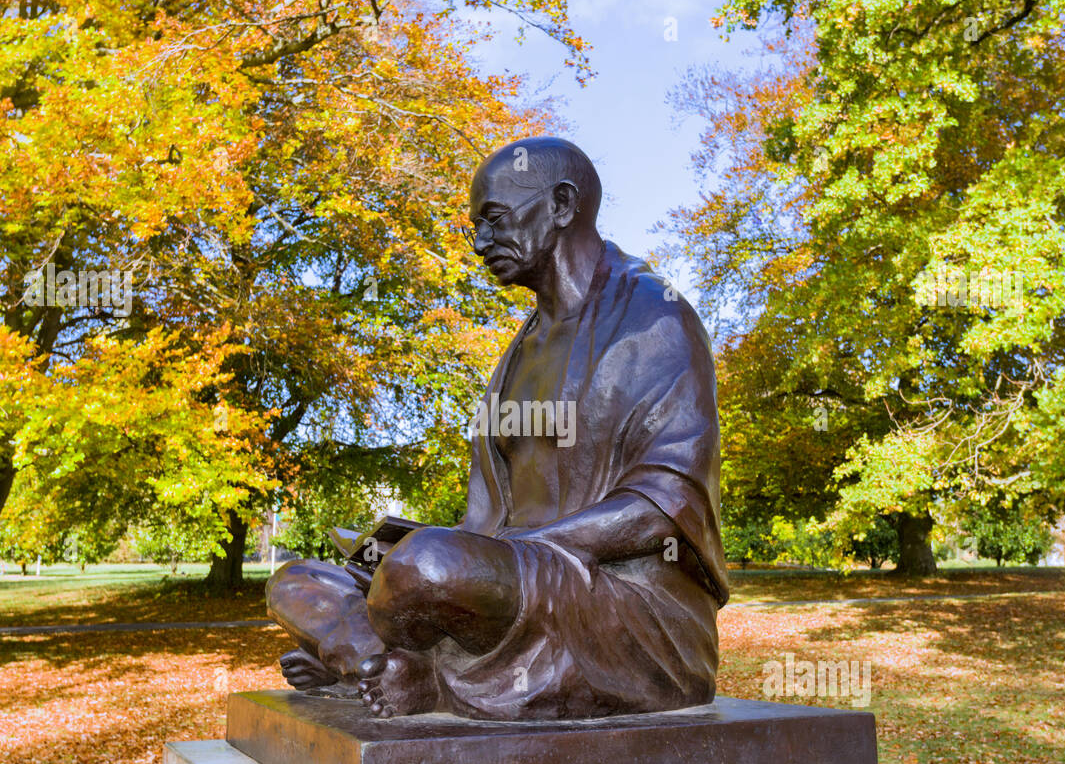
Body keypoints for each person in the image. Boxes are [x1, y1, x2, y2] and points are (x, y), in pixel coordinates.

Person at [269, 136, 728, 720]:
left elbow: (661, 511)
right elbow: (482, 521)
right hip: (509, 582)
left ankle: (379, 659)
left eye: (493, 219)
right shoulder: (518, 352)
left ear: (562, 205)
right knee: (297, 581)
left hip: (620, 602)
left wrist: (497, 552)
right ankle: (379, 663)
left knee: (426, 566)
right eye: (475, 227)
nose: (481, 243)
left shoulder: (654, 318)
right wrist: (423, 550)